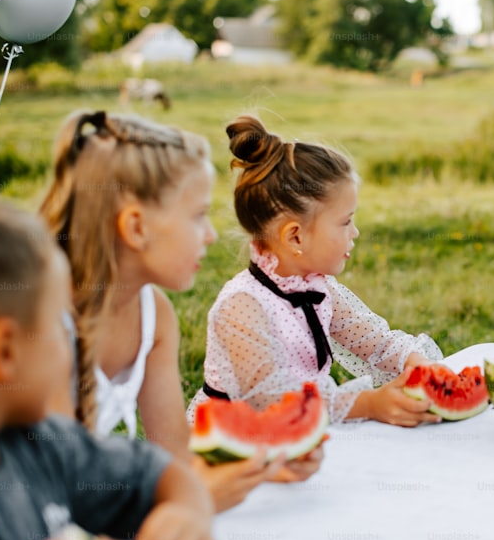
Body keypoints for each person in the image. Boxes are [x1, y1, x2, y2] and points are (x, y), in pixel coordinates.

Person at [38, 110, 321, 513]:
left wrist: (266, 462)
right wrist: (195, 500)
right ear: (136, 228)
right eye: (197, 216)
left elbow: (171, 454)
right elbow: (58, 482)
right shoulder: (45, 323)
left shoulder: (154, 317)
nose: (211, 234)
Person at [0, 198, 214, 540]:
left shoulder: (40, 444)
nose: (72, 340)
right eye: (60, 323)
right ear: (4, 352)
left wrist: (188, 512)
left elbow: (161, 473)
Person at [187, 115, 443, 426]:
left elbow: (377, 342)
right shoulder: (241, 307)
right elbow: (274, 399)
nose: (356, 233)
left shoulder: (319, 289)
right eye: (345, 222)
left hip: (304, 432)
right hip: (233, 443)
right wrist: (367, 403)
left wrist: (415, 362)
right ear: (295, 236)